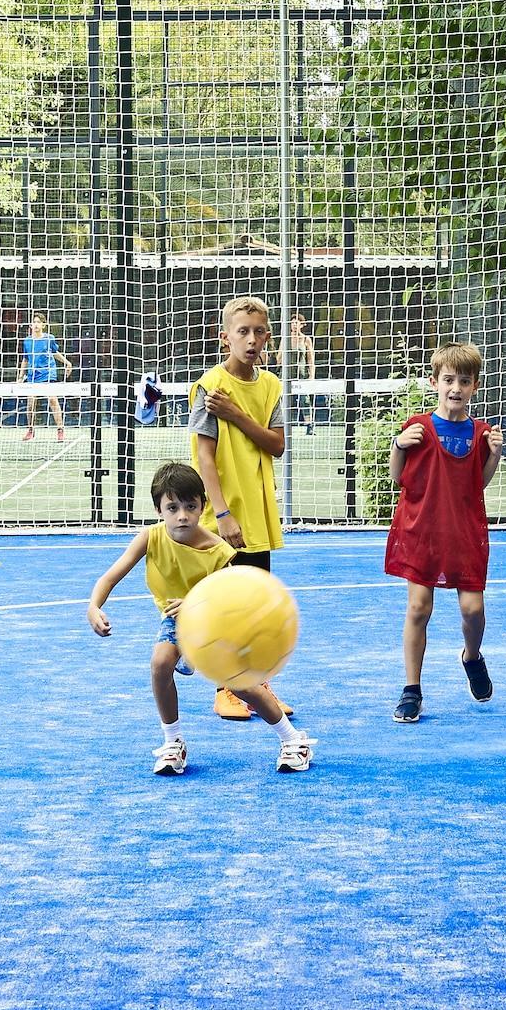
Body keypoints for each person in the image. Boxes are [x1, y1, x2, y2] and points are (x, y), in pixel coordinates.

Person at [86, 462, 314, 775]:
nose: (182, 515)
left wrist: (195, 604)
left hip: (215, 622)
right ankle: (173, 742)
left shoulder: (218, 551)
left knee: (241, 686)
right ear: (158, 510)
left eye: (190, 506)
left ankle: (293, 739)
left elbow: (229, 599)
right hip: (176, 619)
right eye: (173, 508)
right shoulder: (150, 537)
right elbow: (111, 576)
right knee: (160, 663)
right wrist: (94, 606)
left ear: (202, 507)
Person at [386, 341, 504, 722]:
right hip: (421, 531)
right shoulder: (417, 428)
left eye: (464, 381)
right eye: (449, 379)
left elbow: (477, 484)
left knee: (473, 610)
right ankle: (411, 688)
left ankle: (472, 657)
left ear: (475, 386)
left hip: (463, 534)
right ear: (434, 381)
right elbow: (396, 476)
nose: (456, 388)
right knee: (419, 608)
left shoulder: (481, 433)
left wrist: (495, 455)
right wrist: (398, 445)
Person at [190, 295, 293, 722]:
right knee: (226, 607)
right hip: (224, 516)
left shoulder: (270, 387)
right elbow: (205, 457)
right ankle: (225, 689)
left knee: (257, 608)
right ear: (225, 337)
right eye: (243, 331)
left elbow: (277, 444)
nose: (252, 340)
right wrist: (222, 513)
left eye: (259, 332)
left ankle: (258, 685)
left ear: (267, 337)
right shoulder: (210, 387)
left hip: (259, 515)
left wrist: (236, 415)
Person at [19, 311, 72, 441]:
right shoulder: (27, 341)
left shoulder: (49, 338)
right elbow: (25, 359)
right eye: (34, 322)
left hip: (48, 374)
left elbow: (55, 352)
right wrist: (20, 377)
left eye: (39, 322)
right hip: (33, 376)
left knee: (53, 399)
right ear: (31, 325)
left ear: (43, 325)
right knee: (30, 403)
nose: (36, 324)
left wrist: (67, 362)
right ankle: (31, 430)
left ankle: (60, 430)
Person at [287, 312, 317, 430]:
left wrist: (311, 376)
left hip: (301, 375)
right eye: (292, 323)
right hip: (287, 375)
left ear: (302, 324)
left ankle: (309, 425)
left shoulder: (306, 339)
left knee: (305, 400)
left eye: (296, 322)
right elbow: (279, 358)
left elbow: (310, 359)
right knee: (283, 400)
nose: (294, 325)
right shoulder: (286, 338)